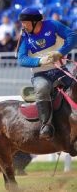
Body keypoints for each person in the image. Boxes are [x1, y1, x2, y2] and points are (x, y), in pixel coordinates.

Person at [17, 7, 77, 140]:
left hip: (60, 70)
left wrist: (60, 53)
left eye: (25, 22)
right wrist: (40, 61)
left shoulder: (53, 25)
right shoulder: (25, 37)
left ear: (35, 22)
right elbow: (21, 59)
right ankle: (46, 125)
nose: (23, 26)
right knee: (42, 88)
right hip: (41, 75)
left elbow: (72, 36)